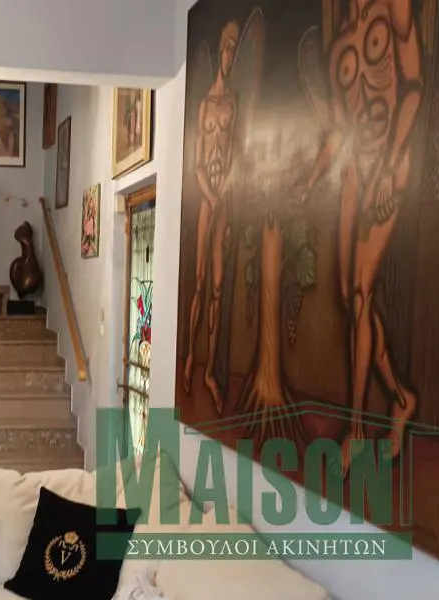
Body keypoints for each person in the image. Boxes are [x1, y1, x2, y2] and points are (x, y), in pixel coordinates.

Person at [300, 0, 423, 476]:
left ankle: (356, 430)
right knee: (352, 300)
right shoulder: (339, 47)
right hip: (353, 175)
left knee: (360, 293)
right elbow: (338, 132)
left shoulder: (394, 8)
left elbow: (412, 88)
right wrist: (310, 181)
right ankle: (401, 397)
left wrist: (391, 166)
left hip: (388, 167)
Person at [183, 21, 241, 413]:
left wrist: (226, 192)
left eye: (235, 48)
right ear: (220, 50)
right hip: (208, 199)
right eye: (227, 47)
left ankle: (209, 371)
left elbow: (237, 154)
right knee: (201, 281)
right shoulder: (204, 104)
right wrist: (210, 195)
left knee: (218, 287)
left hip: (225, 198)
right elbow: (197, 163)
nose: (230, 54)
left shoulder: (235, 104)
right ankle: (191, 355)